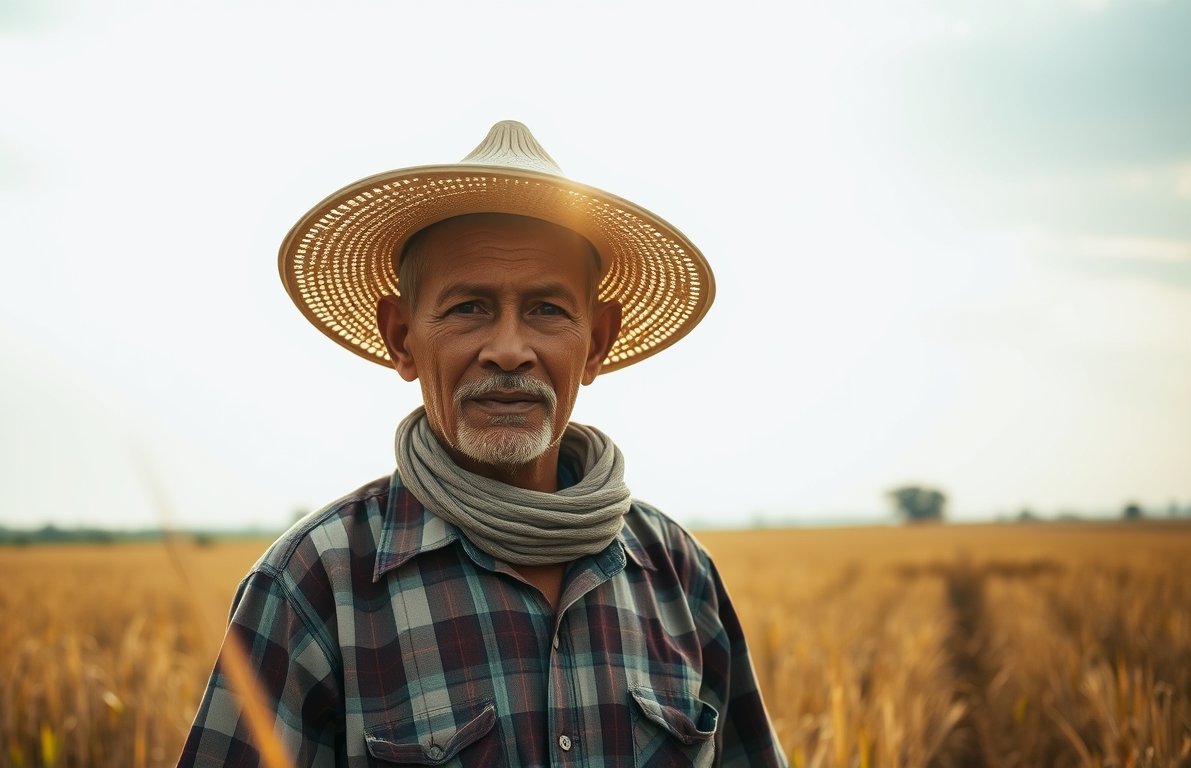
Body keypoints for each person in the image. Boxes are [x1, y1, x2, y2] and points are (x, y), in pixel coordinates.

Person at [178, 121, 785, 767]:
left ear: (598, 342)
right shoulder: (316, 581)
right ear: (403, 337)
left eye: (547, 310)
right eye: (469, 306)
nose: (508, 349)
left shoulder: (677, 571)